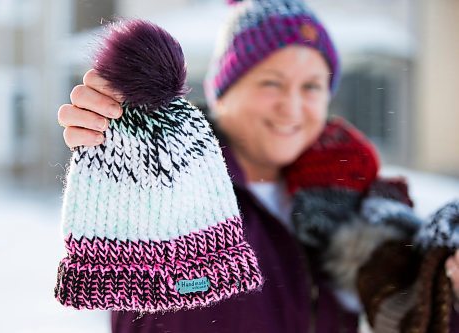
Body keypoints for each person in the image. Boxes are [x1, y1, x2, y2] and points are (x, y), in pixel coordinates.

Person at [57, 0, 459, 331]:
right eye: (271, 82)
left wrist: (449, 287)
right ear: (224, 91)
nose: (293, 106)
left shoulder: (351, 193)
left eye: (312, 86)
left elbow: (412, 310)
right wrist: (122, 138)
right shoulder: (165, 177)